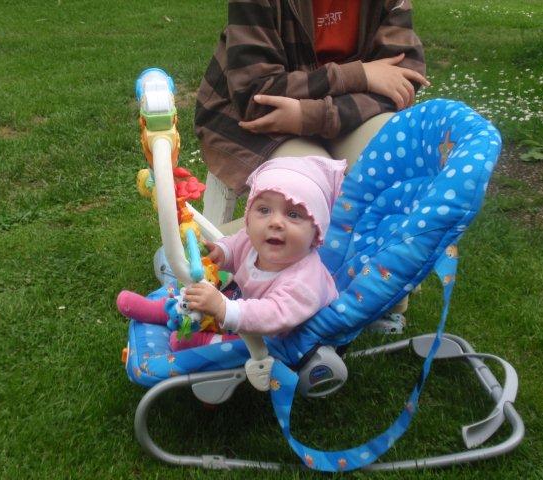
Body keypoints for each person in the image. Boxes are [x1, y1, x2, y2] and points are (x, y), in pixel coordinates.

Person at [194, 0, 429, 195]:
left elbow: (403, 75)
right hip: (253, 121)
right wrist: (358, 75)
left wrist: (312, 115)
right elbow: (256, 96)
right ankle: (237, 244)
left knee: (399, 166)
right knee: (311, 191)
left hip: (343, 110)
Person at [116, 156, 346, 350]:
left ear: (316, 232)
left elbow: (273, 315)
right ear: (248, 218)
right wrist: (221, 252)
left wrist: (223, 308)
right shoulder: (252, 240)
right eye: (264, 210)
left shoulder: (306, 282)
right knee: (198, 294)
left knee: (231, 332)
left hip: (280, 337)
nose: (275, 222)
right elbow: (236, 245)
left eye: (293, 215)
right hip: (243, 305)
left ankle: (203, 340)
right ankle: (161, 310)